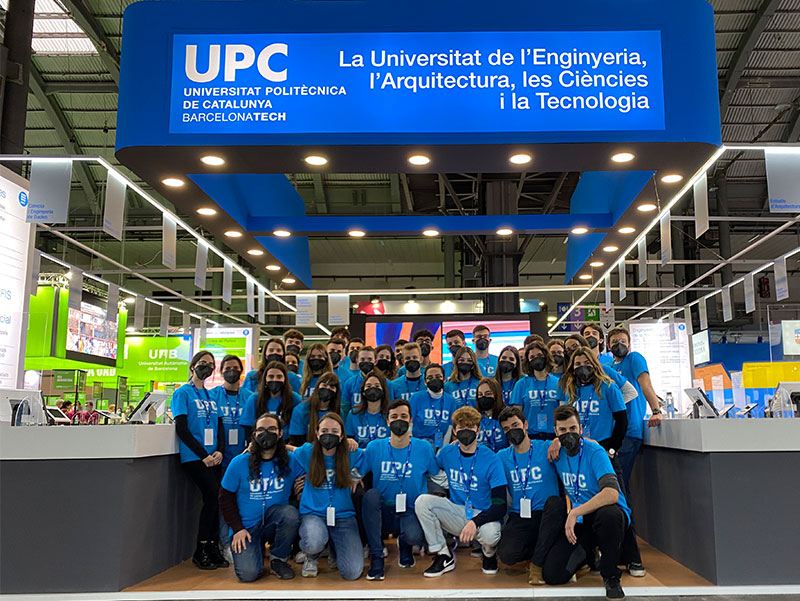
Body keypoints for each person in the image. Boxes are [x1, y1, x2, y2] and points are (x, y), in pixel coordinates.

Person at [550, 404, 632, 600]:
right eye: (563, 430)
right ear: (556, 432)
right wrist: (554, 442)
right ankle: (590, 554)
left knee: (608, 515)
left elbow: (611, 494)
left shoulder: (595, 451)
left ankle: (611, 576)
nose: (568, 434)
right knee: (554, 574)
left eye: (573, 428)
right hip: (583, 521)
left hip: (607, 514)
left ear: (580, 428)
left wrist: (575, 512)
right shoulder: (557, 452)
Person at [415, 406, 507, 577]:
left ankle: (489, 554)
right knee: (422, 502)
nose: (465, 431)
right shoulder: (447, 452)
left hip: (483, 514)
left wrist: (475, 522)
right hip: (456, 511)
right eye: (461, 427)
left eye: (470, 427)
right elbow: (431, 470)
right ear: (455, 431)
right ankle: (443, 554)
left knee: (491, 535)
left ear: (478, 430)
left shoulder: (491, 459)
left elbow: (500, 505)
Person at [360, 400, 439, 580]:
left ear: (410, 420)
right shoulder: (374, 447)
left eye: (403, 416)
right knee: (370, 496)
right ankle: (377, 557)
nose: (399, 420)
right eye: (394, 416)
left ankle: (405, 544)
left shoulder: (424, 448)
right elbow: (357, 473)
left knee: (414, 536)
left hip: (411, 510)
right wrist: (351, 478)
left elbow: (437, 476)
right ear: (387, 421)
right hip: (384, 510)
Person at [219, 413, 301, 582]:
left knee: (290, 514)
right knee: (248, 575)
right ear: (254, 434)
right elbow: (225, 497)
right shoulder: (239, 462)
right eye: (261, 430)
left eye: (271, 429)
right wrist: (237, 528)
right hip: (246, 527)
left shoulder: (291, 460)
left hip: (273, 521)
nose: (266, 434)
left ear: (280, 433)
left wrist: (288, 448)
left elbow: (316, 458)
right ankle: (254, 550)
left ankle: (278, 559)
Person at [495, 406, 564, 586]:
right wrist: (458, 445)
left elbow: (577, 443)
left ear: (525, 425)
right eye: (506, 429)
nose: (512, 431)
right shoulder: (501, 457)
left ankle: (537, 564)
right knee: (507, 555)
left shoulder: (546, 447)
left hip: (547, 514)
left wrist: (559, 440)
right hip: (521, 514)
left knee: (556, 503)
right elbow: (481, 458)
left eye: (515, 425)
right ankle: (541, 551)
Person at [171, 350, 228, 570]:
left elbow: (220, 426)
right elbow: (182, 429)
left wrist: (220, 451)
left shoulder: (211, 395)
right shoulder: (182, 393)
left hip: (214, 457)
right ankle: (201, 548)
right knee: (212, 494)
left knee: (217, 499)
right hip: (194, 457)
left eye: (211, 364)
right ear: (193, 366)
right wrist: (202, 455)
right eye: (203, 363)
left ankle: (213, 547)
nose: (207, 367)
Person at [293, 413, 365, 580]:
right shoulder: (307, 452)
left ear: (342, 435)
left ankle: (334, 549)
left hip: (343, 516)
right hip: (313, 514)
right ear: (317, 433)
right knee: (314, 542)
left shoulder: (351, 453)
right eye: (324, 431)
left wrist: (357, 476)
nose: (329, 435)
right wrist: (252, 448)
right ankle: (311, 556)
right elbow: (288, 450)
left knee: (352, 572)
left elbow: (371, 455)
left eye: (334, 431)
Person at [606, 326, 663, 490]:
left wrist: (656, 411)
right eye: (615, 341)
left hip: (629, 432)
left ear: (629, 344)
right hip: (611, 434)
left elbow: (646, 384)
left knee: (617, 484)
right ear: (608, 346)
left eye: (623, 341)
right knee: (611, 482)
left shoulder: (634, 359)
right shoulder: (608, 367)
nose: (619, 344)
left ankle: (623, 508)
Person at [564, 334, 637, 405]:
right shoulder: (570, 376)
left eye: (575, 346)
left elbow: (631, 392)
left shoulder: (604, 370)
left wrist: (610, 406)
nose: (573, 350)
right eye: (568, 349)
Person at [511, 341, 561, 440]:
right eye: (532, 357)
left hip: (554, 436)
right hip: (529, 436)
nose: (536, 359)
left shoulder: (558, 383)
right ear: (528, 361)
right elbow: (516, 415)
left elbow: (563, 412)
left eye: (539, 355)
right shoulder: (521, 384)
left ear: (546, 356)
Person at [242, 361, 302, 441]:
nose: (275, 379)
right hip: (260, 443)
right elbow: (248, 427)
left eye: (279, 377)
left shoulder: (295, 398)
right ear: (265, 379)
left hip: (286, 443)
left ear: (285, 379)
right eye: (271, 376)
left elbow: (299, 427)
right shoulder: (254, 399)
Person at [409, 363, 455, 451]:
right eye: (430, 378)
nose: (434, 380)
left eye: (438, 377)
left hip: (441, 443)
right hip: (418, 444)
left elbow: (449, 428)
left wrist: (442, 451)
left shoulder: (450, 400)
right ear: (425, 382)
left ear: (444, 379)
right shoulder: (416, 397)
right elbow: (409, 423)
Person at [213, 355, 248, 470]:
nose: (232, 371)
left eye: (235, 368)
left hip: (243, 455)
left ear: (241, 370)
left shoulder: (250, 397)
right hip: (218, 455)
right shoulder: (212, 395)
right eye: (227, 368)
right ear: (221, 372)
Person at [289, 372, 341, 446]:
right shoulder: (300, 410)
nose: (327, 388)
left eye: (332, 387)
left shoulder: (339, 412)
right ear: (317, 387)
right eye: (324, 385)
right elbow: (297, 441)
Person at [345, 371, 390, 448]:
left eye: (377, 386)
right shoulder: (353, 414)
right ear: (363, 392)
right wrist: (349, 441)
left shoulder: (390, 414)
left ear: (383, 391)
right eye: (368, 386)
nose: (373, 388)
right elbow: (348, 438)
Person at [341, 346, 376, 417]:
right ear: (357, 361)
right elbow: (345, 408)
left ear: (375, 361)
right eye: (362, 359)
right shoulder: (349, 383)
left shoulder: (384, 382)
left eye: (369, 359)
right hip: (354, 422)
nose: (366, 362)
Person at [475, 378, 508, 452]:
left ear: (496, 395)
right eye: (480, 394)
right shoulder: (474, 416)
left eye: (488, 394)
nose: (484, 397)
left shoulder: (507, 414)